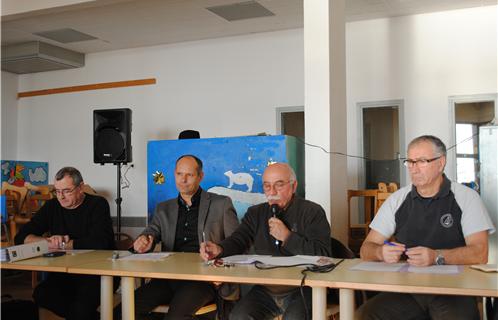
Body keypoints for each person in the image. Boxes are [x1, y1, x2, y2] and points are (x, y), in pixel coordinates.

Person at [356, 135, 495, 320]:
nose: (414, 168)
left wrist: (436, 256)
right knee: (365, 315)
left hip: (455, 290)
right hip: (408, 290)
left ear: (441, 163)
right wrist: (381, 252)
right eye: (410, 162)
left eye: (422, 161)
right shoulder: (397, 200)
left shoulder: (466, 198)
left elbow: (480, 253)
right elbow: (366, 249)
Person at [200, 162, 331, 320]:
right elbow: (238, 240)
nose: (272, 192)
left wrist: (287, 237)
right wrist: (219, 249)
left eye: (279, 185)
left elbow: (323, 254)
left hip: (304, 287)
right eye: (267, 186)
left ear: (294, 186)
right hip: (266, 289)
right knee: (238, 317)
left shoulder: (312, 212)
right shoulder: (256, 213)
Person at [125, 155, 239, 320]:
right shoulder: (163, 208)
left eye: (189, 175)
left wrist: (220, 267)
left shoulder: (221, 204)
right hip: (168, 278)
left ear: (200, 176)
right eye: (179, 174)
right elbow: (151, 232)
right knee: (126, 309)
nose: (183, 180)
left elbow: (237, 243)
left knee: (176, 317)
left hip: (202, 280)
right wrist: (143, 240)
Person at [15, 167, 115, 320]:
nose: (61, 197)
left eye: (67, 191)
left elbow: (101, 241)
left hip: (96, 273)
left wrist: (63, 244)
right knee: (41, 294)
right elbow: (20, 237)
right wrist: (47, 242)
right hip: (64, 273)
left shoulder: (98, 204)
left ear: (80, 187)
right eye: (57, 191)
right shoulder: (51, 206)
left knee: (81, 307)